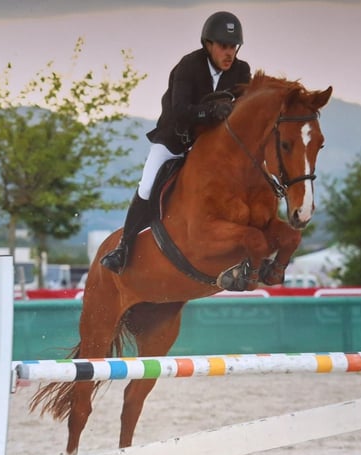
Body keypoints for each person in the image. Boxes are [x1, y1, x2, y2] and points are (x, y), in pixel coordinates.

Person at [100, 11, 252, 274]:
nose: (229, 53)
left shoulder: (242, 70)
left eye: (233, 47)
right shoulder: (188, 66)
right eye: (224, 46)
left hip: (210, 143)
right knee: (147, 184)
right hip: (175, 137)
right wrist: (209, 112)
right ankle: (124, 247)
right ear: (208, 44)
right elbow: (179, 109)